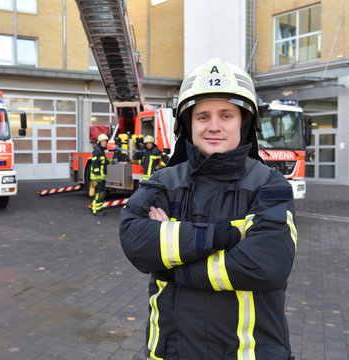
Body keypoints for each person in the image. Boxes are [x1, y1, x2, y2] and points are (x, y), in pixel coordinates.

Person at [119, 58, 297, 359]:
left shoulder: (269, 184)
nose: (213, 126)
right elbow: (135, 238)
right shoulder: (163, 181)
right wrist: (224, 237)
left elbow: (268, 265)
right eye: (203, 117)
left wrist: (173, 262)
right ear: (188, 125)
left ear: (245, 121)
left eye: (226, 115)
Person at [89, 133, 112, 216]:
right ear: (99, 142)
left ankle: (98, 208)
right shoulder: (97, 151)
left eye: (105, 141)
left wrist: (109, 162)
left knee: (101, 193)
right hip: (97, 177)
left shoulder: (101, 151)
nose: (105, 143)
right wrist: (98, 175)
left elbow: (102, 162)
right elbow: (95, 164)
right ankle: (95, 210)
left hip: (101, 177)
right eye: (103, 141)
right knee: (98, 193)